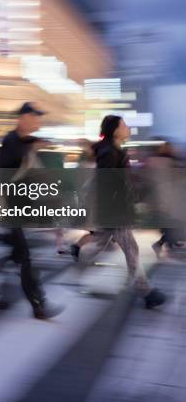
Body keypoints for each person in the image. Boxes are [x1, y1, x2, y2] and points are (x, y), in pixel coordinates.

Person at [76, 115, 166, 309]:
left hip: (112, 209)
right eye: (124, 125)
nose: (128, 128)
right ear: (115, 130)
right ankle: (146, 291)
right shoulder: (109, 152)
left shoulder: (113, 150)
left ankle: (79, 258)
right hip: (114, 210)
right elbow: (108, 182)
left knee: (99, 244)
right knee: (130, 249)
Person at [0, 102, 64, 320]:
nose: (38, 121)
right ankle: (39, 305)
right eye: (35, 117)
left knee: (16, 254)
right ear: (23, 117)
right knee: (25, 258)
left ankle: (2, 291)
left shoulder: (26, 144)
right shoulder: (11, 141)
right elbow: (7, 169)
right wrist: (32, 146)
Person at [146, 139, 184, 257]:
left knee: (170, 223)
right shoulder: (167, 161)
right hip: (167, 197)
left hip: (162, 197)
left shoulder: (157, 161)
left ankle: (171, 243)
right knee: (172, 223)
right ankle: (162, 243)